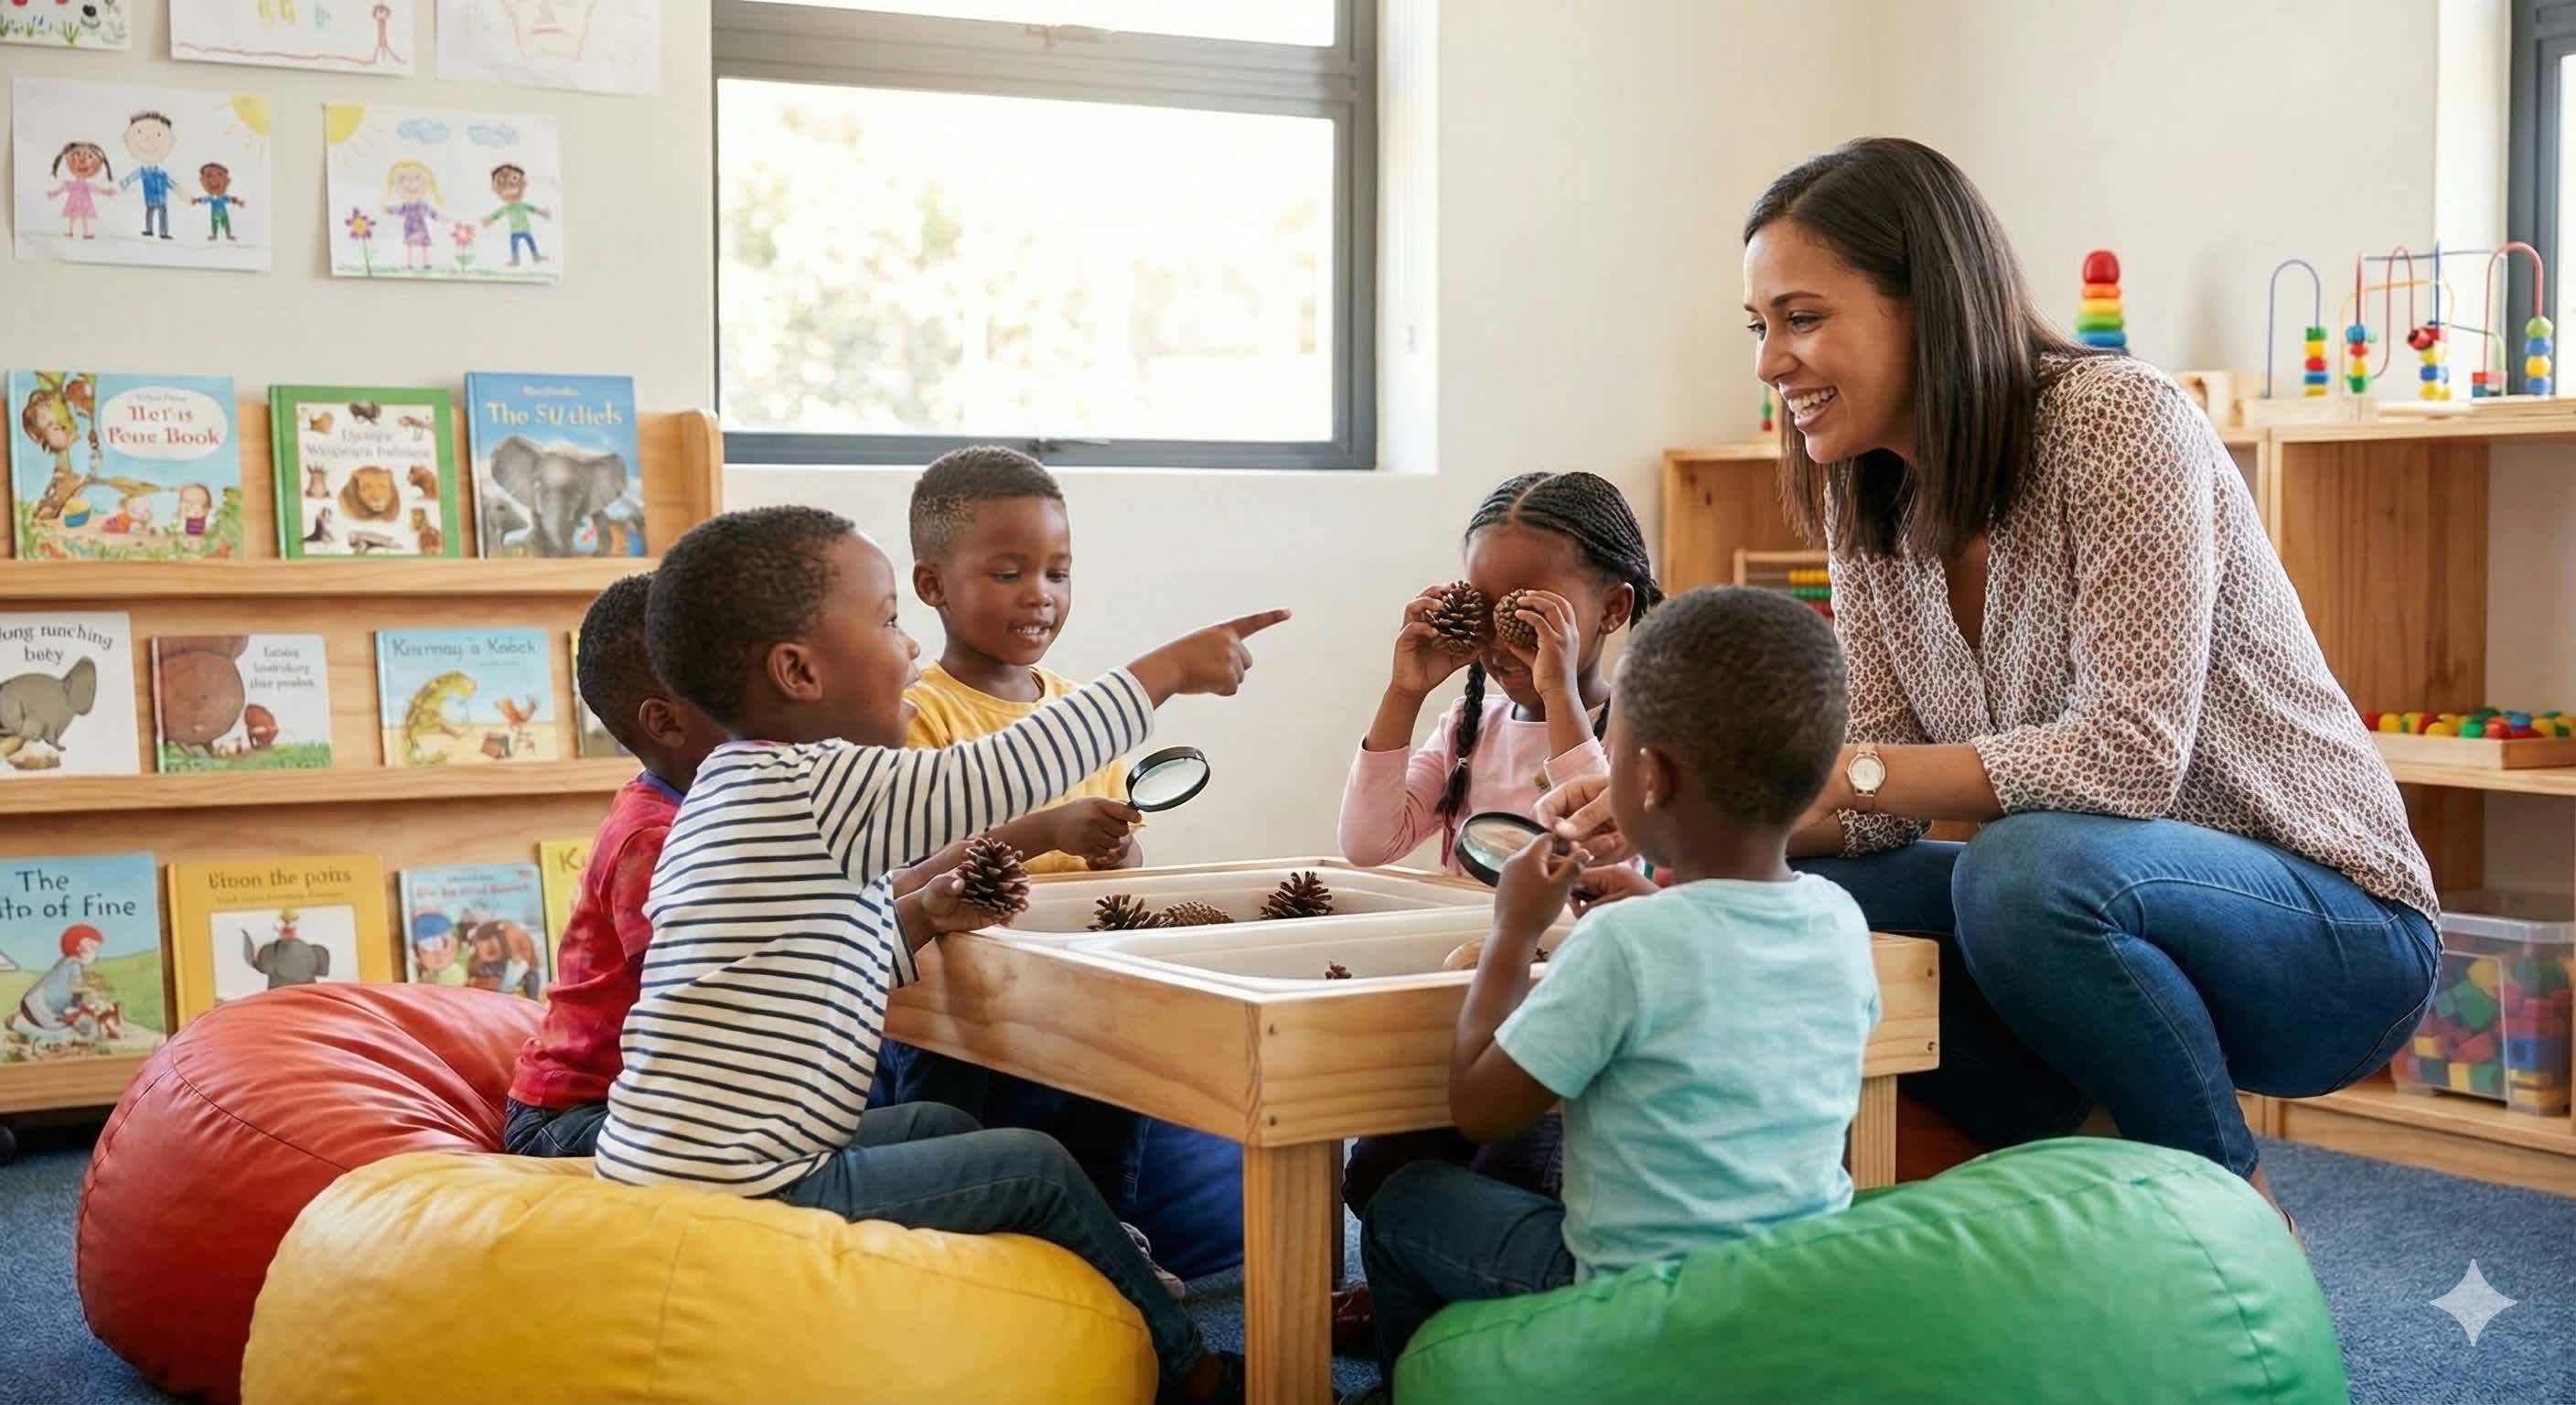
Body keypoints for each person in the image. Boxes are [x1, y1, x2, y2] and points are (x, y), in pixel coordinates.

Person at [1546, 136, 2437, 1227]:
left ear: (1928, 304)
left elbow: (2124, 759)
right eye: (1759, 325)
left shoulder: (2115, 418)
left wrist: (1842, 771)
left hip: (2331, 928)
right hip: (2102, 922)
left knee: (2015, 871)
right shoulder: (1860, 495)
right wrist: (1680, 827)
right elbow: (1867, 812)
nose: (1769, 362)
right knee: (1799, 903)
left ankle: (2230, 1210)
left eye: (1802, 316)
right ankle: (2083, 1178)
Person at [597, 504, 1290, 1401]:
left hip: (673, 1165)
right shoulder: (812, 784)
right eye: (888, 622)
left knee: (949, 1129)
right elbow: (1003, 769)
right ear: (798, 671)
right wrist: (1164, 673)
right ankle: (1186, 1365)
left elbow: (812, 966)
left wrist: (923, 913)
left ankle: (1023, 1307)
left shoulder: (729, 795)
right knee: (1034, 1163)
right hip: (746, 1189)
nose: (912, 653)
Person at [1346, 586, 1877, 1403]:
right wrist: (1663, 905)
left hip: (1632, 1306)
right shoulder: (1839, 922)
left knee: (1406, 1198)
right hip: (1792, 1297)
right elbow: (1728, 976)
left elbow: (1480, 1110)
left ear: (1650, 779)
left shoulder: (1621, 947)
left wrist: (1512, 935)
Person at [872, 444, 1186, 1293]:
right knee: (960, 1127)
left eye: (1058, 571)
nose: (1040, 594)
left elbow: (1115, 861)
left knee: (1120, 1076)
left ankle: (1110, 1237)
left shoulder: (1086, 713)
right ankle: (960, 1257)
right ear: (933, 585)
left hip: (1074, 982)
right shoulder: (918, 711)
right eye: (1009, 572)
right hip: (956, 1000)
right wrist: (1043, 824)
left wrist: (1122, 848)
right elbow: (899, 876)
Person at [502, 573, 726, 1156]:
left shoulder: (701, 809)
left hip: (629, 1099)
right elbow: (692, 1000)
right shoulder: (655, 836)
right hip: (573, 1114)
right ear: (669, 723)